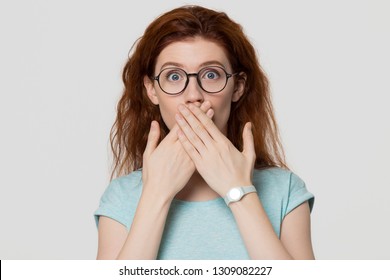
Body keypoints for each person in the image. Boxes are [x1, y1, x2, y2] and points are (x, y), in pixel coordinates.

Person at [94, 5, 315, 260]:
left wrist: (238, 190)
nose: (193, 96)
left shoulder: (284, 191)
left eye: (211, 74)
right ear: (151, 90)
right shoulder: (122, 197)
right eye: (174, 76)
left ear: (237, 87)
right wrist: (156, 194)